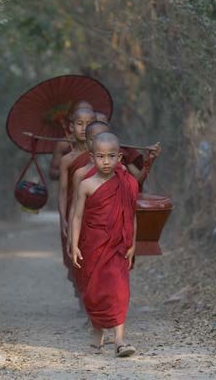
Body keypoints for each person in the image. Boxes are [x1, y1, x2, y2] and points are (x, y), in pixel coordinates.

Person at [70, 132, 139, 357]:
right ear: (92, 157)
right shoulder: (86, 184)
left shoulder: (126, 183)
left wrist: (133, 244)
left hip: (118, 245)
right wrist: (73, 244)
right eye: (100, 156)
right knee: (94, 291)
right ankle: (97, 335)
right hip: (93, 245)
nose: (106, 162)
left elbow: (132, 214)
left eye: (111, 156)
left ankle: (120, 340)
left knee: (119, 290)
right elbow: (77, 216)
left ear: (120, 157)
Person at [58, 107, 96, 279]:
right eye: (79, 123)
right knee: (75, 255)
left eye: (89, 124)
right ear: (72, 127)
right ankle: (81, 292)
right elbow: (63, 191)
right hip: (73, 212)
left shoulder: (102, 156)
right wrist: (62, 218)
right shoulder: (67, 160)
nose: (83, 128)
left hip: (94, 213)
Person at [49, 101, 94, 181]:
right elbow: (52, 172)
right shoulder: (63, 144)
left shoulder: (98, 143)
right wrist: (67, 171)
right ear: (71, 117)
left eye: (88, 112)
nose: (84, 115)